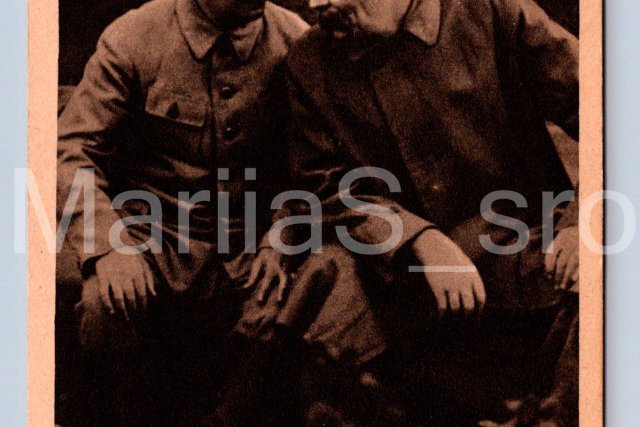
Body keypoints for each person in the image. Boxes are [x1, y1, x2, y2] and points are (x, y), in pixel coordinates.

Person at [284, 0, 579, 424]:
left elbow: (614, 108)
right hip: (403, 287)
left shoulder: (492, 11)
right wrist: (416, 237)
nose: (314, 5)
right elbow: (323, 186)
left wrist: (583, 223)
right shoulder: (308, 60)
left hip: (530, 264)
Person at [57, 0, 310, 424]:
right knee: (105, 306)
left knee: (284, 326)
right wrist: (108, 246)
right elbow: (72, 151)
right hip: (149, 240)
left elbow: (309, 160)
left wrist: (282, 236)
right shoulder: (134, 36)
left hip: (251, 247)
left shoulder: (296, 42)